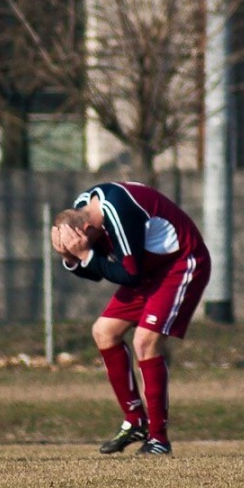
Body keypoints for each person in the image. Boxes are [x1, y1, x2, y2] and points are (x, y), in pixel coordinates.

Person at [51, 181, 211, 456]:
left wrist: (84, 255)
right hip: (149, 268)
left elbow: (129, 274)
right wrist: (72, 258)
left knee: (145, 342)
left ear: (86, 229)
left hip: (180, 262)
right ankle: (135, 420)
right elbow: (99, 270)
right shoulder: (84, 209)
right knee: (103, 332)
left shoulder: (118, 211)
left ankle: (158, 438)